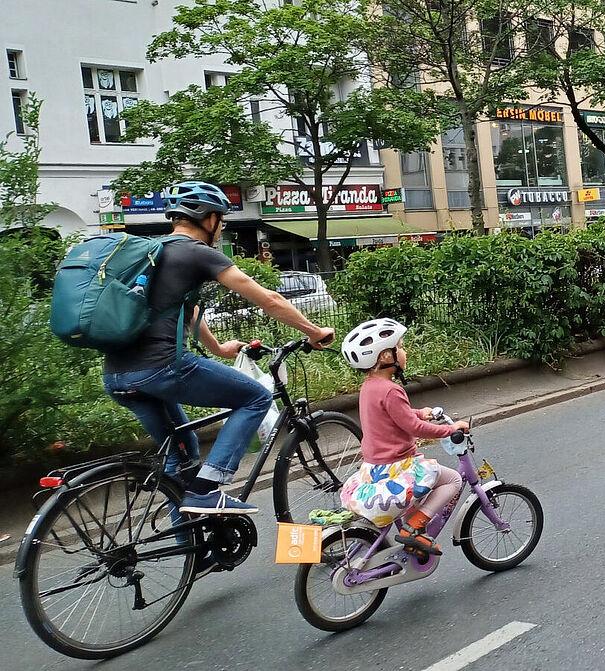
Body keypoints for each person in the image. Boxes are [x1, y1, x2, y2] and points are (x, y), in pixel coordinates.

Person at [102, 181, 335, 517]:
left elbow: (186, 308)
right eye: (221, 219)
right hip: (161, 367)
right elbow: (269, 299)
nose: (222, 226)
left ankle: (191, 551)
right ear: (209, 219)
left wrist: (219, 348)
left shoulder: (153, 252)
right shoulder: (197, 252)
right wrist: (314, 331)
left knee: (181, 457)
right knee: (255, 397)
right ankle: (207, 490)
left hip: (118, 375)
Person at [339, 319, 469, 555]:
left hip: (374, 467)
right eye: (399, 347)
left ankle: (416, 540)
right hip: (398, 465)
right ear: (385, 357)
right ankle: (413, 529)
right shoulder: (392, 390)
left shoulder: (369, 386)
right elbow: (414, 428)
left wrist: (420, 412)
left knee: (417, 494)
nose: (404, 351)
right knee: (452, 481)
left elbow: (392, 416)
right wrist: (450, 430)